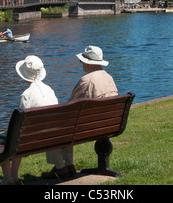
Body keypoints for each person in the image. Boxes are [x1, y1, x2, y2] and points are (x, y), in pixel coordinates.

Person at [41, 45, 118, 180]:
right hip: (109, 124)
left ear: (88, 62)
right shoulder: (109, 77)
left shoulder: (86, 80)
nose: (81, 63)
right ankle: (69, 165)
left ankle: (61, 167)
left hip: (88, 128)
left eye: (81, 61)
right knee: (67, 125)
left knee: (53, 127)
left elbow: (70, 107)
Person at [0, 55, 58, 185]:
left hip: (30, 139)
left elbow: (20, 124)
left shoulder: (27, 94)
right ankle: (13, 176)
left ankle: (9, 178)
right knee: (16, 138)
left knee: (3, 140)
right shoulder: (50, 90)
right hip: (49, 135)